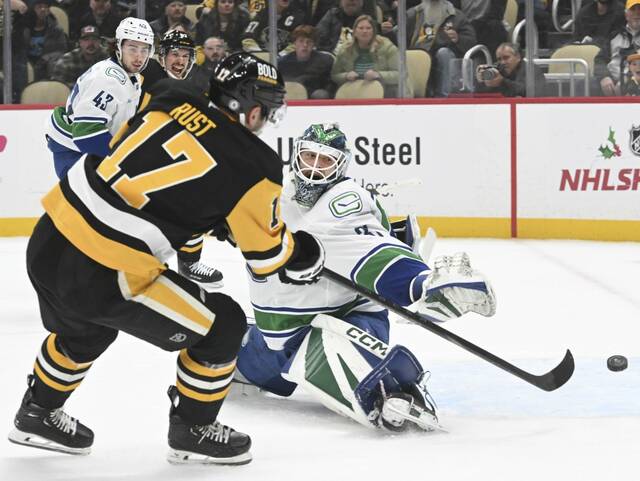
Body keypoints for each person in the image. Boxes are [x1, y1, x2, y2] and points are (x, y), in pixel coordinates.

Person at [8, 52, 325, 465]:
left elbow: (139, 156)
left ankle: (37, 412)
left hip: (50, 237)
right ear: (247, 105)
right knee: (223, 323)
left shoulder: (170, 95)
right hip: (107, 270)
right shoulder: (255, 165)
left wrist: (208, 212)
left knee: (86, 330)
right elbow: (267, 257)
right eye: (265, 108)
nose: (265, 118)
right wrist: (303, 254)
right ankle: (193, 428)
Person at [237, 123, 496, 432]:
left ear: (341, 165)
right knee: (224, 355)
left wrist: (418, 284)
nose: (314, 169)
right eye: (309, 157)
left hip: (345, 320)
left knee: (347, 360)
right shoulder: (269, 190)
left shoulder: (345, 201)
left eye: (325, 161)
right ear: (296, 156)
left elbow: (369, 249)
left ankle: (394, 386)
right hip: (279, 333)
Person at [140, 30, 225, 288]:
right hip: (140, 158)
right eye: (174, 54)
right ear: (162, 56)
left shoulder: (199, 85)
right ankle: (140, 265)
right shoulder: (143, 79)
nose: (180, 60)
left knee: (195, 203)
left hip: (175, 157)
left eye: (185, 55)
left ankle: (189, 263)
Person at [45, 17, 154, 179]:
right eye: (132, 48)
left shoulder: (132, 76)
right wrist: (121, 159)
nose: (139, 57)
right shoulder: (107, 78)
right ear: (118, 46)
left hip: (88, 153)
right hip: (76, 156)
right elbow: (86, 134)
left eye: (144, 50)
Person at [401, 0, 477, 97]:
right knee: (411, 56)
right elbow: (399, 38)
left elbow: (471, 41)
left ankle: (443, 96)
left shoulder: (456, 16)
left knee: (443, 53)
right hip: (419, 54)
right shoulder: (413, 14)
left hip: (442, 55)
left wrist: (458, 38)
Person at [331, 15, 409, 97]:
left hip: (385, 90)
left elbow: (402, 74)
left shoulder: (387, 47)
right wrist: (346, 76)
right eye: (361, 28)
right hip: (356, 91)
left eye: (368, 28)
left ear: (374, 31)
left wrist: (378, 75)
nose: (364, 31)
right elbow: (334, 75)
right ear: (354, 31)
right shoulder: (345, 50)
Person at [597, 0, 640, 96]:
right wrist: (604, 77)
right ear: (626, 15)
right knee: (587, 84)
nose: (637, 13)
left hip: (636, 83)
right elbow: (599, 60)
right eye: (633, 9)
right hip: (612, 84)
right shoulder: (614, 35)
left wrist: (626, 82)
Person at [279, 25, 333, 99]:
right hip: (290, 98)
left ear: (314, 44)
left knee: (321, 94)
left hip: (313, 100)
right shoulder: (283, 62)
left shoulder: (325, 61)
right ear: (294, 43)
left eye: (309, 42)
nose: (305, 45)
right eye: (301, 41)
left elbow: (330, 85)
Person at [475, 42, 545, 96]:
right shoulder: (497, 70)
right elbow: (481, 94)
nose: (502, 62)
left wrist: (502, 82)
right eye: (499, 59)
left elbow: (529, 92)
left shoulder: (532, 70)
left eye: (506, 58)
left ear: (518, 57)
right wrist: (481, 81)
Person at [23, 0, 69, 81]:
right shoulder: (23, 30)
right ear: (32, 10)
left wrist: (46, 58)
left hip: (47, 65)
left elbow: (62, 50)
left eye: (46, 7)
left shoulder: (56, 30)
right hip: (27, 64)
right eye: (39, 7)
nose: (43, 9)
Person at [241, 0, 306, 54]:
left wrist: (281, 56)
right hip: (261, 57)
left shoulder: (298, 16)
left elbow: (299, 42)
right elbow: (247, 37)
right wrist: (259, 54)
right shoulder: (262, 13)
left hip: (284, 61)